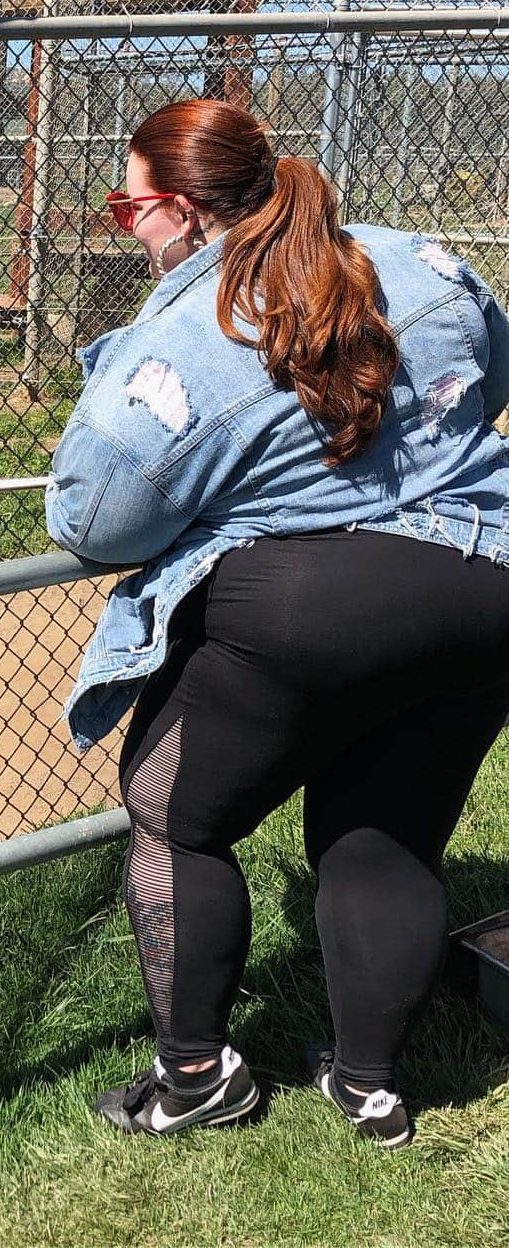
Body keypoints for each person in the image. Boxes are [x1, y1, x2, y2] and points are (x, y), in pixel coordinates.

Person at [44, 98, 509, 1149]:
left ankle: (198, 1077)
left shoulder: (182, 331)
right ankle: (373, 1084)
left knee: (176, 817)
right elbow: (490, 378)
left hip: (314, 604)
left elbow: (96, 518)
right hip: (487, 583)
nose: (130, 232)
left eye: (127, 209)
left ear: (177, 210)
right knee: (386, 828)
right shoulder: (418, 258)